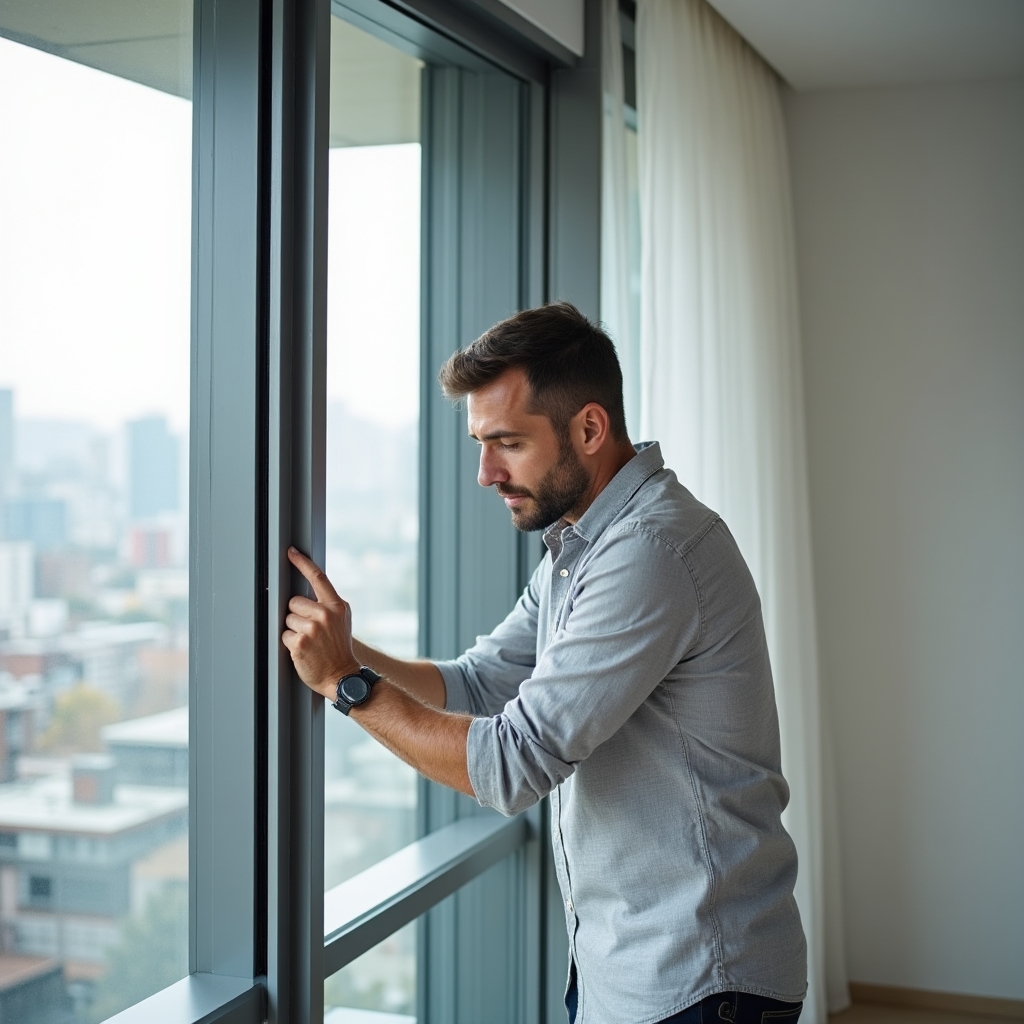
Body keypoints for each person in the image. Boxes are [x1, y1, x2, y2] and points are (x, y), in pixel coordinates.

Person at [282, 302, 807, 1024]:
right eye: (479, 443)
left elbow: (510, 765)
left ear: (589, 429)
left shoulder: (650, 553)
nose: (484, 473)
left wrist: (348, 685)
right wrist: (341, 647)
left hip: (700, 978)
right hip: (625, 966)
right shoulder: (583, 549)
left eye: (507, 443)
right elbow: (477, 684)